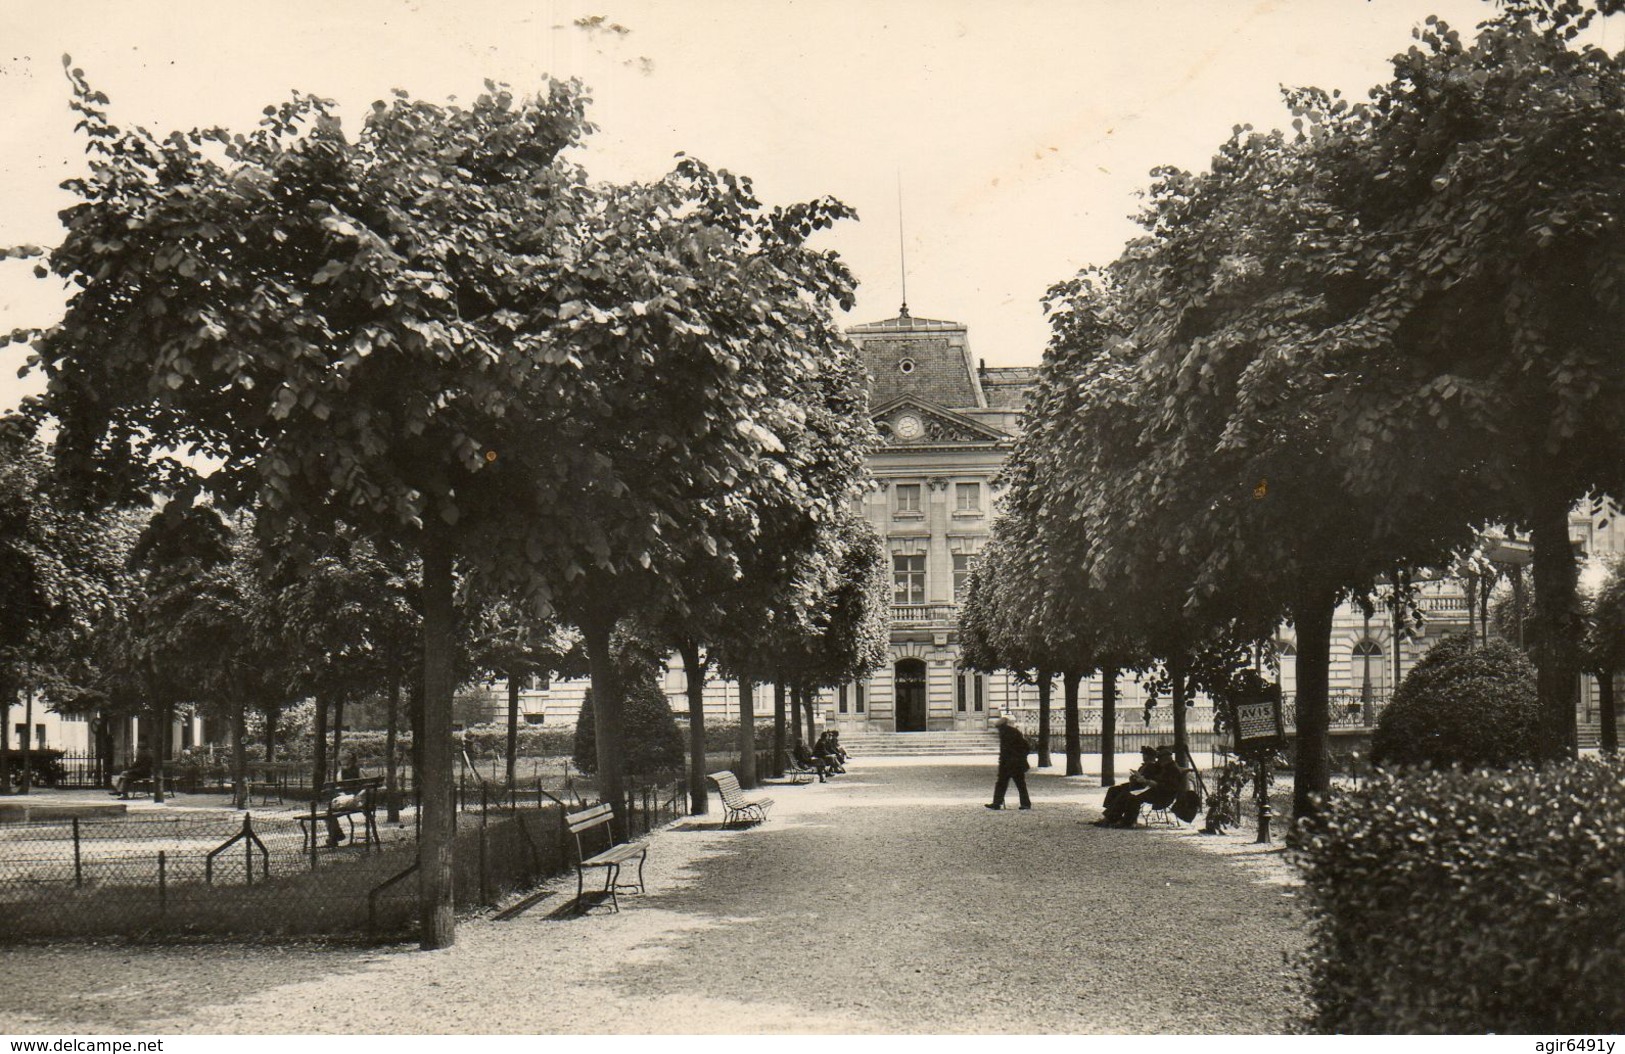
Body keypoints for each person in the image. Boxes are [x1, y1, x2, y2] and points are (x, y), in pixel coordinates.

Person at [1101, 744, 1187, 828]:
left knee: (1133, 796)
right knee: (1128, 793)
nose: (1157, 761)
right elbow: (1155, 778)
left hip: (1163, 795)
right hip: (1156, 791)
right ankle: (1112, 818)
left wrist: (1148, 781)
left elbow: (1166, 786)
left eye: (1159, 759)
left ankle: (1126, 822)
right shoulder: (1165, 766)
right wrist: (1144, 779)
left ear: (1165, 759)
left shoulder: (1172, 769)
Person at [1099, 747, 1158, 823]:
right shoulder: (1144, 766)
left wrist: (1137, 777)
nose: (1143, 756)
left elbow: (1147, 779)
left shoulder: (1152, 766)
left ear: (1149, 756)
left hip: (1140, 787)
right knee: (1113, 790)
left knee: (1122, 794)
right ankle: (1112, 813)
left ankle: (1112, 817)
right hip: (1135, 785)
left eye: (1144, 755)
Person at [986, 715, 1032, 810]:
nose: (998, 730)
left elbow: (1025, 747)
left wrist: (1019, 757)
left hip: (1015, 764)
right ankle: (997, 802)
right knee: (1003, 783)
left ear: (1003, 726)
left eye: (999, 728)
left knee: (1019, 784)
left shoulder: (1012, 733)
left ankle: (1025, 804)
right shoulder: (1006, 733)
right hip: (1007, 764)